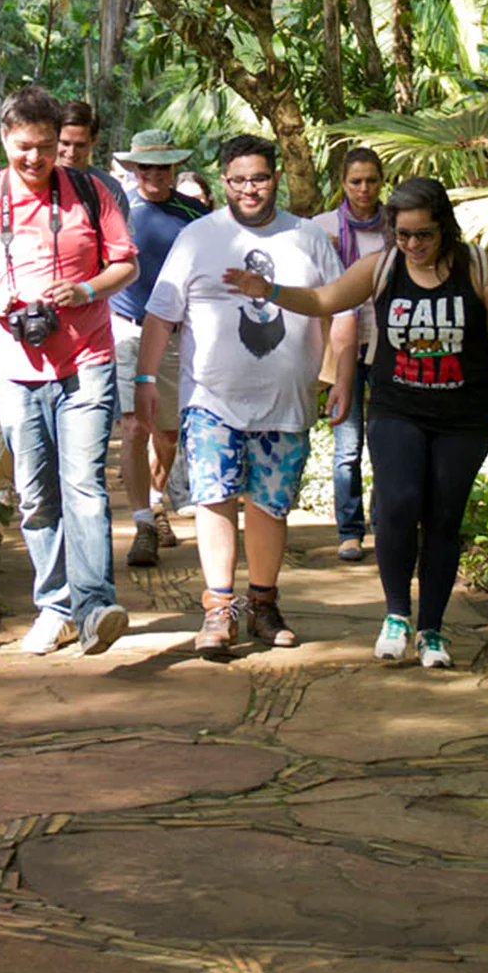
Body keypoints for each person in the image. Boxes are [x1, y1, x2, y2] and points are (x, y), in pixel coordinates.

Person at [223, 174, 488, 670]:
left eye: (423, 235)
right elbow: (325, 300)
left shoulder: (476, 266)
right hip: (397, 408)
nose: (412, 245)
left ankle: (431, 629)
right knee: (397, 504)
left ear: (444, 228)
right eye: (403, 234)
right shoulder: (383, 266)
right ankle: (396, 616)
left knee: (444, 517)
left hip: (463, 416)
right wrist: (269, 290)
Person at [137, 135, 358, 660]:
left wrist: (343, 376)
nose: (249, 189)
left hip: (286, 402)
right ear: (224, 181)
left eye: (258, 178)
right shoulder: (198, 236)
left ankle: (263, 604)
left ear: (275, 177)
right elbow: (162, 314)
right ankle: (219, 608)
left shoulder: (307, 237)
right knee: (213, 496)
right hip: (211, 398)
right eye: (237, 180)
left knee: (269, 504)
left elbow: (342, 310)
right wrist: (146, 380)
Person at [0, 85, 139, 656]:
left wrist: (83, 288)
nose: (34, 158)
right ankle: (53, 606)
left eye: (45, 146)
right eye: (23, 146)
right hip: (14, 364)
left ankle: (94, 606)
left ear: (61, 142)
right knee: (35, 493)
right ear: (4, 139)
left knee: (83, 484)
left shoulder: (90, 192)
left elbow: (125, 264)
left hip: (85, 357)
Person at [110, 129, 210, 568]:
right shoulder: (118, 209)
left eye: (163, 165)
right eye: (145, 165)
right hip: (126, 330)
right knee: (133, 427)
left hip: (175, 334)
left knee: (167, 433)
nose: (154, 173)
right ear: (134, 168)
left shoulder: (195, 214)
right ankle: (143, 524)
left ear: (174, 167)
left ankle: (156, 500)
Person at [328, 148, 391, 563]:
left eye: (371, 180)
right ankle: (349, 531)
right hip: (344, 346)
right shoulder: (323, 229)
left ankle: (385, 522)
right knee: (347, 445)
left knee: (388, 443)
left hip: (390, 345)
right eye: (356, 181)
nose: (364, 189)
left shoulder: (399, 227)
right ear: (343, 183)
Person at [56, 99, 131, 214]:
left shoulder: (109, 190)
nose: (71, 152)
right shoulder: (33, 183)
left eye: (80, 145)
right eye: (65, 143)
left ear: (94, 140)